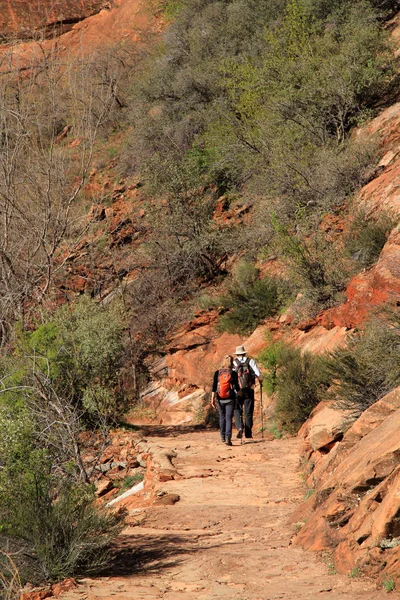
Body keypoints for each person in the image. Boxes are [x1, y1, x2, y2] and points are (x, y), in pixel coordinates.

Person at [233, 345, 263, 440]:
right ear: (244, 353)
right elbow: (258, 374)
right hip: (249, 389)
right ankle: (248, 433)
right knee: (248, 411)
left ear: (237, 354)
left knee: (237, 410)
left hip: (237, 390)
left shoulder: (234, 362)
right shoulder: (251, 361)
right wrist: (260, 382)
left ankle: (240, 427)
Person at [211, 355, 239, 446]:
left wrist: (212, 399)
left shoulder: (217, 373)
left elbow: (214, 387)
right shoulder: (233, 373)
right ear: (231, 363)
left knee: (222, 417)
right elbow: (237, 387)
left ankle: (222, 436)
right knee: (228, 418)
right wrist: (240, 394)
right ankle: (228, 438)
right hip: (230, 399)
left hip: (220, 399)